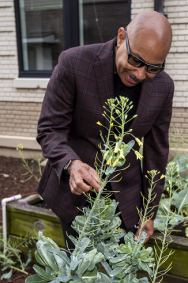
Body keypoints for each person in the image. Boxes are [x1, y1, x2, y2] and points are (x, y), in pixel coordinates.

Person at [36, 10, 174, 249]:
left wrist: (149, 211)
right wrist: (72, 164)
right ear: (121, 37)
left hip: (127, 201)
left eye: (153, 68)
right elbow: (50, 129)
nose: (140, 74)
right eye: (136, 60)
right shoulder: (74, 63)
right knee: (79, 271)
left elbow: (156, 153)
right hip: (76, 195)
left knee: (118, 274)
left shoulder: (164, 87)